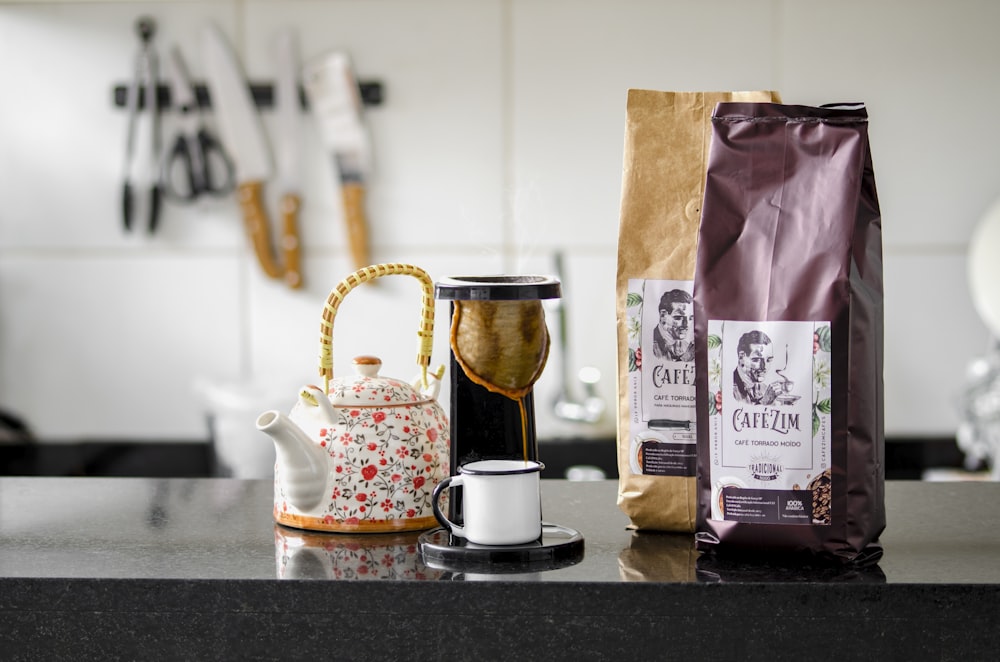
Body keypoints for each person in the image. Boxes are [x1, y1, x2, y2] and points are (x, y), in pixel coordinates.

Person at [732, 330, 784, 405]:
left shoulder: (764, 389)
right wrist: (764, 402)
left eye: (769, 360)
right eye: (756, 360)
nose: (764, 367)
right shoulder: (729, 388)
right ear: (741, 357)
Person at [652, 289, 695, 361]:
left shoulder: (686, 346)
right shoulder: (651, 343)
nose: (686, 325)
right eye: (678, 317)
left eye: (690, 318)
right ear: (663, 316)